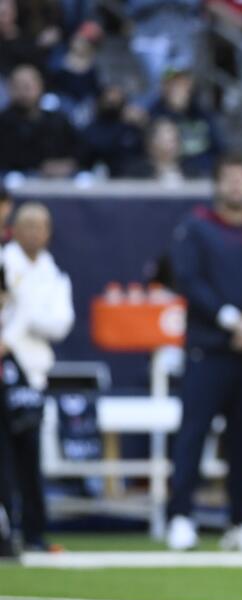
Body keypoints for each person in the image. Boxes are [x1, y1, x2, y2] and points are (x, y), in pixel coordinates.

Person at [165, 154, 242, 551]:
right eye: (228, 178)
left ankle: (241, 518)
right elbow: (189, 281)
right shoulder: (196, 227)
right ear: (217, 184)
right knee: (193, 433)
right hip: (208, 348)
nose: (236, 186)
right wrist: (231, 321)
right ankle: (180, 515)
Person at [0, 202, 75, 552]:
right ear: (13, 228)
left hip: (31, 372)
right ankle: (5, 529)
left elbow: (59, 323)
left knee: (29, 452)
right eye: (26, 224)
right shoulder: (5, 261)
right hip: (4, 367)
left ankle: (33, 530)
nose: (33, 232)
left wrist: (21, 317)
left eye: (40, 225)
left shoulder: (53, 272)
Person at [0, 64, 80, 177]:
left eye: (27, 86)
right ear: (9, 89)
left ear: (40, 86)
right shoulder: (3, 122)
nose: (23, 92)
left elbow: (79, 152)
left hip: (52, 186)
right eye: (17, 87)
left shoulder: (58, 121)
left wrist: (67, 164)